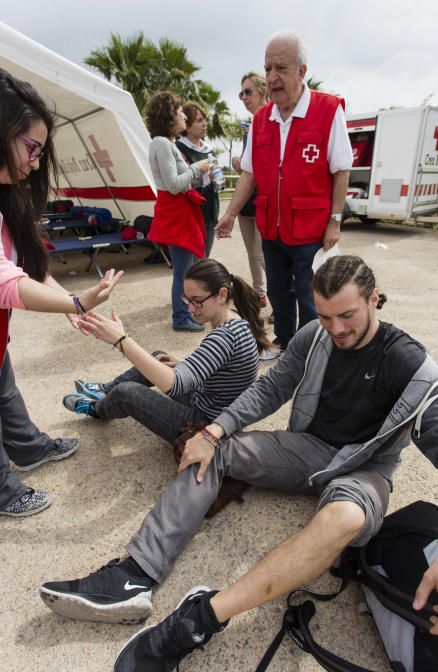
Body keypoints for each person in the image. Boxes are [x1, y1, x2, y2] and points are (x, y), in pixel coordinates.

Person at [40, 255, 438, 672]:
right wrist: (214, 430)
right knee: (212, 450)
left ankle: (200, 619)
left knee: (346, 521)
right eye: (325, 315)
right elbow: (271, 388)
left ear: (374, 299)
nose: (335, 329)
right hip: (309, 449)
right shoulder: (315, 336)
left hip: (366, 470)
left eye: (348, 315)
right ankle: (134, 576)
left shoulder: (410, 364)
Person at [0, 69, 122, 517]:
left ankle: (29, 448)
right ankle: (4, 491)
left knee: (5, 392)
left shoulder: (6, 193)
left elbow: (24, 265)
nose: (35, 162)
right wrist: (74, 303)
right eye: (31, 148)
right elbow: (6, 282)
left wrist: (70, 302)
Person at [216, 30, 353, 354]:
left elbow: (341, 169)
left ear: (302, 71)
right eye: (267, 69)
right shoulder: (262, 119)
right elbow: (248, 173)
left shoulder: (328, 110)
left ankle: (309, 351)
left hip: (310, 228)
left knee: (310, 294)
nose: (272, 77)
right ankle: (285, 341)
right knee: (278, 291)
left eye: (281, 68)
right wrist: (231, 214)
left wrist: (335, 221)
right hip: (272, 225)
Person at [61, 258, 272, 454]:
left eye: (197, 301)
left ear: (222, 294)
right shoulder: (235, 320)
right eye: (187, 299)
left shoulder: (224, 337)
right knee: (158, 357)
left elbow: (175, 385)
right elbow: (223, 371)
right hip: (212, 403)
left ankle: (97, 409)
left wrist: (121, 340)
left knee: (127, 392)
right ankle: (104, 391)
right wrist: (179, 364)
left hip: (207, 425)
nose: (189, 308)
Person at [144, 91, 210, 332]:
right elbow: (173, 185)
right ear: (169, 114)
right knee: (182, 270)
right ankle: (181, 318)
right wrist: (196, 168)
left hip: (178, 212)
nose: (184, 114)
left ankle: (184, 315)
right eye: (180, 110)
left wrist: (197, 174)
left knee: (185, 268)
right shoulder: (162, 143)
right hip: (176, 214)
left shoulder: (163, 143)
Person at [231, 73, 268, 312]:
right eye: (241, 93)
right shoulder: (250, 125)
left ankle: (281, 300)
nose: (244, 97)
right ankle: (260, 295)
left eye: (248, 91)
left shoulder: (272, 122)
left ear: (263, 91)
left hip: (265, 200)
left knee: (267, 256)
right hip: (247, 202)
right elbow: (249, 165)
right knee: (253, 254)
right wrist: (238, 160)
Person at [176, 102, 219, 257]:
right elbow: (179, 182)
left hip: (210, 212)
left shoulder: (208, 149)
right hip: (192, 215)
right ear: (187, 126)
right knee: (193, 266)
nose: (205, 124)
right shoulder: (179, 149)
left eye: (204, 119)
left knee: (204, 258)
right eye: (199, 120)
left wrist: (217, 178)